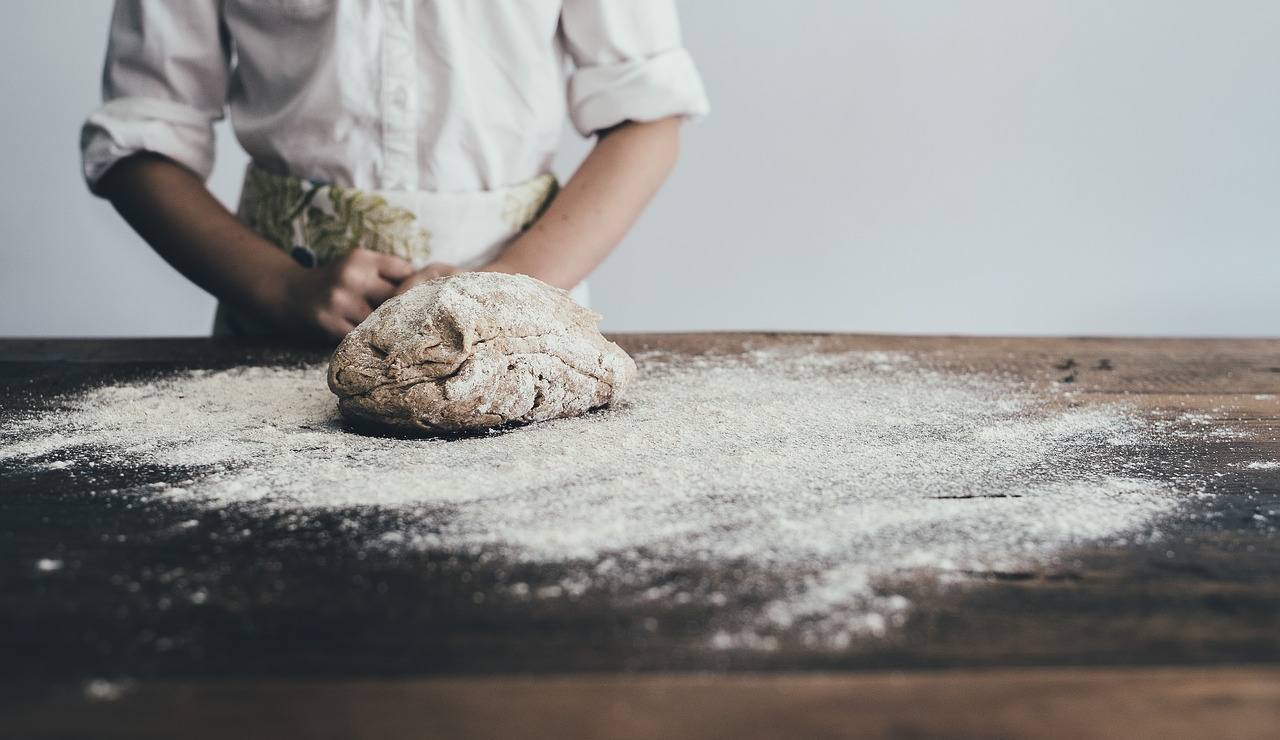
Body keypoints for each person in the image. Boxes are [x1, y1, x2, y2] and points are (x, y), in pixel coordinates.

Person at [82, 1, 708, 341]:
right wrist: (279, 289)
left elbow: (646, 118)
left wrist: (504, 290)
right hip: (279, 330)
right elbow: (140, 140)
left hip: (521, 328)